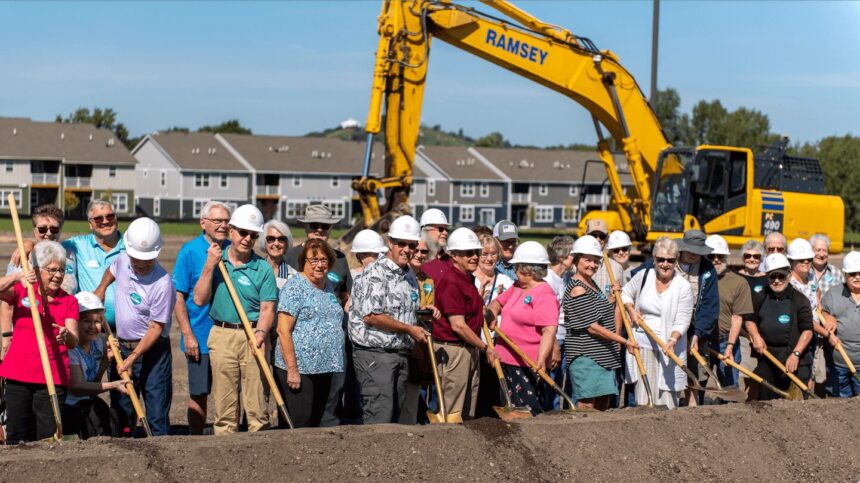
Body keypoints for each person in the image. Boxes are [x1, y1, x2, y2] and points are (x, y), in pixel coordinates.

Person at [193, 204, 277, 435]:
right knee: (225, 407)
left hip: (254, 335)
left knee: (257, 406)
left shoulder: (262, 268)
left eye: (253, 235)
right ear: (231, 230)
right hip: (222, 335)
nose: (248, 239)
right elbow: (199, 299)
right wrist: (210, 266)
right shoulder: (217, 262)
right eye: (243, 232)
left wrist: (260, 333)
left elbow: (268, 308)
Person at [348, 215, 434, 424]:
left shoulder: (409, 276)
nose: (406, 249)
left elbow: (406, 312)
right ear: (390, 243)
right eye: (401, 243)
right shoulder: (375, 273)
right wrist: (409, 329)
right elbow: (371, 316)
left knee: (395, 417)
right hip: (376, 355)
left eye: (411, 244)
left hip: (400, 353)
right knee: (380, 416)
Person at [94, 217, 175, 436]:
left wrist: (133, 357)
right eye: (136, 259)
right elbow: (111, 270)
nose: (139, 265)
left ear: (156, 254)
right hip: (122, 346)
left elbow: (156, 328)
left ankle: (160, 447)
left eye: (145, 261)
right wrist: (101, 289)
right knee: (122, 409)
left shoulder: (162, 283)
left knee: (156, 411)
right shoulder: (122, 260)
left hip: (152, 352)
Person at [0, 241, 78, 443]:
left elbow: (73, 340)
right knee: (16, 435)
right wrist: (18, 276)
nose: (59, 275)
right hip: (18, 375)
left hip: (52, 377)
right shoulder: (22, 290)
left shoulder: (69, 301)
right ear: (36, 270)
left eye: (62, 270)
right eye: (52, 270)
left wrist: (66, 335)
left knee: (47, 437)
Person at [285, 204, 352, 425]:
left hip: (333, 345)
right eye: (315, 226)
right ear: (306, 228)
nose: (319, 230)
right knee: (303, 407)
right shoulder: (291, 256)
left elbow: (346, 296)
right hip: (301, 349)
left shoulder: (340, 260)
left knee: (331, 401)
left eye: (324, 226)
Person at [172, 201, 231, 435]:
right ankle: (196, 439)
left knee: (231, 392)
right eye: (217, 221)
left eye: (227, 221)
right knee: (199, 392)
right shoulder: (189, 251)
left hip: (228, 335)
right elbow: (178, 297)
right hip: (200, 334)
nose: (223, 225)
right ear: (203, 223)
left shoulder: (233, 249)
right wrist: (188, 334)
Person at [274, 239, 345, 428]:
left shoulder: (328, 285)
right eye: (313, 260)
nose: (319, 265)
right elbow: (283, 330)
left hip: (325, 368)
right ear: (303, 262)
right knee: (300, 423)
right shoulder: (295, 287)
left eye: (324, 260)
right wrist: (292, 370)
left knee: (318, 422)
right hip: (300, 368)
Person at [485, 241, 559, 415]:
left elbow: (549, 330)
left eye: (517, 267)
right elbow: (497, 303)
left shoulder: (544, 294)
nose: (515, 271)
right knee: (508, 411)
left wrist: (541, 359)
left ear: (528, 270)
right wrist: (492, 313)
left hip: (528, 363)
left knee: (527, 411)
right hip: (506, 359)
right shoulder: (517, 287)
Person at [564, 236, 637, 411]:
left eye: (596, 261)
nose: (592, 265)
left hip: (603, 354)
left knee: (603, 405)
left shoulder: (590, 283)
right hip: (587, 356)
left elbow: (600, 310)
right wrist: (624, 341)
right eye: (587, 260)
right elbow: (593, 327)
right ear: (576, 259)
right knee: (588, 405)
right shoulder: (577, 288)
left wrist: (612, 297)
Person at [621, 237, 694, 409]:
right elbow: (625, 293)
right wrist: (631, 310)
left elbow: (683, 320)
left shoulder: (682, 286)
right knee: (644, 394)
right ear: (654, 259)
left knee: (666, 395)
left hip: (668, 347)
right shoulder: (645, 275)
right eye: (660, 259)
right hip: (643, 344)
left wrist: (673, 340)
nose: (665, 264)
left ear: (676, 261)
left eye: (670, 260)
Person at [433, 228, 493, 420]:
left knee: (467, 411)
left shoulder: (468, 279)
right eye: (468, 253)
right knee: (453, 411)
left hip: (468, 349)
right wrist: (485, 347)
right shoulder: (452, 281)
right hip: (455, 350)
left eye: (476, 252)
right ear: (455, 256)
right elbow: (458, 325)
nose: (474, 257)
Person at [2, 204, 75, 360]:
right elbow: (7, 305)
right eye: (42, 229)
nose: (48, 233)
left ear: (60, 230)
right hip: (28, 339)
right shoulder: (22, 257)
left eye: (54, 229)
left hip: (64, 338)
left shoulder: (70, 255)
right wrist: (6, 341)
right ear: (34, 230)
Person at [744, 253, 814, 400]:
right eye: (772, 277)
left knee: (797, 404)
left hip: (795, 359)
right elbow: (750, 319)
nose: (776, 281)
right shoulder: (760, 296)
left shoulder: (800, 300)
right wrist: (755, 336)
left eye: (781, 276)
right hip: (768, 357)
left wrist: (795, 354)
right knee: (767, 402)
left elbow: (807, 331)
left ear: (788, 276)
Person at [62, 292, 127, 439]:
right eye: (86, 321)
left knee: (111, 418)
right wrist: (112, 385)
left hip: (87, 400)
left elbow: (94, 384)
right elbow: (78, 389)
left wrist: (105, 362)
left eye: (97, 321)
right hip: (70, 406)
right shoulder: (70, 348)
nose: (93, 327)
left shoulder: (100, 341)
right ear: (75, 322)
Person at [62, 199, 124, 329]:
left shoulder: (131, 246)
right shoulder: (77, 245)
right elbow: (49, 246)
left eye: (110, 216)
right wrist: (29, 245)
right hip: (91, 329)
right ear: (90, 224)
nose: (106, 221)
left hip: (126, 331)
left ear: (116, 219)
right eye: (98, 219)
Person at [472, 233, 514, 418]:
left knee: (494, 393)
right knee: (476, 392)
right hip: (474, 344)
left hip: (498, 344)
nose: (489, 258)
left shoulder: (505, 281)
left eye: (493, 254)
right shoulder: (468, 280)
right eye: (484, 254)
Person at [705, 235, 753, 389]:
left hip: (726, 341)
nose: (716, 260)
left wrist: (730, 346)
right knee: (697, 386)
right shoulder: (699, 279)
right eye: (712, 256)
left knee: (730, 389)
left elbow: (737, 317)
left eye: (720, 256)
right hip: (702, 340)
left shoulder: (738, 283)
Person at [786, 238, 826, 396]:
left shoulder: (811, 277)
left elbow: (816, 293)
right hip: (798, 335)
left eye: (808, 259)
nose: (806, 262)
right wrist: (827, 334)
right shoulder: (790, 284)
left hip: (813, 335)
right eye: (801, 260)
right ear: (791, 261)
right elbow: (806, 319)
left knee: (808, 374)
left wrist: (819, 304)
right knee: (797, 375)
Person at [820, 251, 860, 397]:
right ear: (845, 275)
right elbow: (820, 312)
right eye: (852, 273)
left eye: (859, 273)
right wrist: (827, 316)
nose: (857, 277)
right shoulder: (833, 294)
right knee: (840, 406)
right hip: (838, 363)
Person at [544, 235, 574, 410]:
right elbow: (549, 316)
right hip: (555, 338)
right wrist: (554, 344)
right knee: (552, 383)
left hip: (563, 335)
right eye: (572, 255)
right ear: (562, 257)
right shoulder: (549, 280)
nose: (575, 259)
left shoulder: (564, 278)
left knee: (558, 381)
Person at [584, 219, 623, 300]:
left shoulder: (617, 268)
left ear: (607, 238)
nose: (598, 239)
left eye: (602, 236)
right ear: (586, 236)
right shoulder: (575, 266)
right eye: (593, 235)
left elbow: (620, 300)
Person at [260, 219, 297, 290]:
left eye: (281, 239)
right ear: (264, 243)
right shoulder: (255, 271)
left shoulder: (294, 277)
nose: (276, 243)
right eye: (271, 239)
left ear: (287, 244)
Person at [809, 234, 843, 298]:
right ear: (811, 251)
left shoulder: (836, 273)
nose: (821, 254)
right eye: (818, 250)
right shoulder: (804, 271)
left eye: (824, 250)